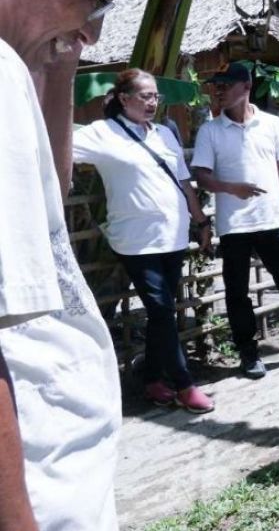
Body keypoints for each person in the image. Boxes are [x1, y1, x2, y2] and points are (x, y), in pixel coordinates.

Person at [0, 0, 178, 531]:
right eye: (94, 1)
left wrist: (60, 52)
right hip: (36, 487)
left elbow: (50, 183)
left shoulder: (20, 74)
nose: (97, 30)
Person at [73, 69, 214, 413]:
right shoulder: (102, 133)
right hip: (136, 241)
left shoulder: (165, 134)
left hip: (174, 236)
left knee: (161, 312)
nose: (153, 102)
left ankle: (152, 379)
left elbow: (184, 183)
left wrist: (201, 221)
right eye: (145, 96)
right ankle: (183, 384)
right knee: (162, 309)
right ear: (124, 99)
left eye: (156, 96)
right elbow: (57, 145)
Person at [191, 62, 279, 378]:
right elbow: (200, 175)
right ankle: (248, 353)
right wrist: (231, 188)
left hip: (272, 220)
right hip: (235, 227)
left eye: (226, 85)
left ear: (246, 86)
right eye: (217, 86)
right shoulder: (210, 131)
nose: (219, 91)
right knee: (237, 293)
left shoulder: (272, 124)